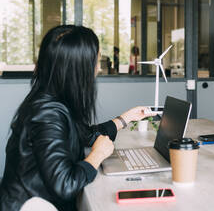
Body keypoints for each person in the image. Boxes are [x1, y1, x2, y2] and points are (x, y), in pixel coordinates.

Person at [0, 25, 152, 210]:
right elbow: (65, 185)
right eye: (95, 62)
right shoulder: (47, 113)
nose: (98, 69)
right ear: (77, 68)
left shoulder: (52, 100)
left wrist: (125, 119)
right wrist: (97, 155)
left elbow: (81, 134)